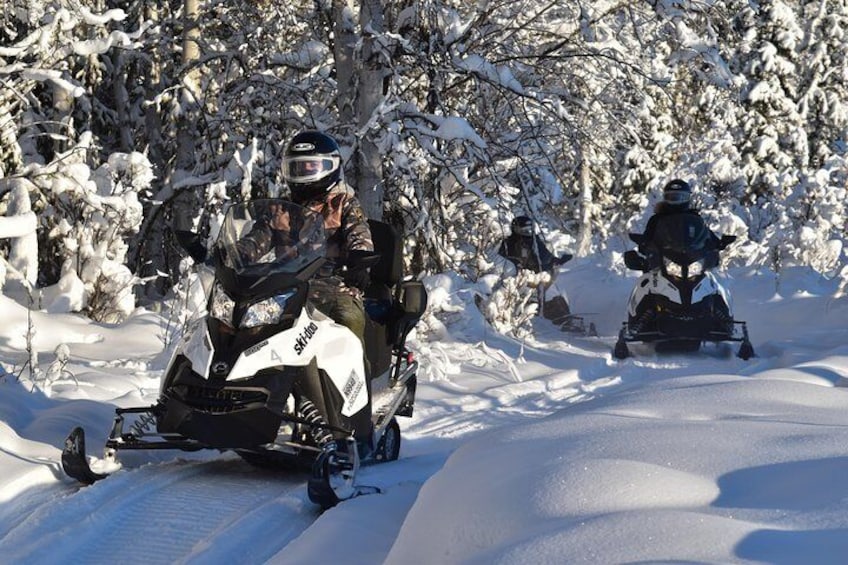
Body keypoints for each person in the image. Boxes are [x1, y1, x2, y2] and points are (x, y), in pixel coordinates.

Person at [280, 130, 374, 350]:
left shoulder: (343, 203)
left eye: (310, 167)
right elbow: (257, 239)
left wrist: (360, 260)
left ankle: (359, 381)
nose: (304, 172)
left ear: (329, 167)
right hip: (284, 287)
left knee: (349, 320)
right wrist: (228, 256)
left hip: (334, 286)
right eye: (298, 167)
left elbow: (359, 233)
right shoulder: (282, 209)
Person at [497, 215, 573, 326]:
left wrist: (557, 261)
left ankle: (566, 321)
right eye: (524, 229)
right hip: (520, 279)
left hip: (537, 275)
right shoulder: (510, 243)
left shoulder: (535, 241)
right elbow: (505, 260)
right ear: (516, 229)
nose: (528, 232)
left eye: (530, 229)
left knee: (555, 295)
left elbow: (545, 255)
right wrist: (517, 267)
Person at [636, 179, 720, 268]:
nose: (676, 201)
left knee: (706, 277)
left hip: (692, 263)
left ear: (687, 198)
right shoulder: (657, 219)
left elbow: (704, 233)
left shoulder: (694, 219)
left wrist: (716, 243)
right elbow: (647, 239)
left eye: (680, 197)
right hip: (663, 264)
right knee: (645, 280)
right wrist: (644, 246)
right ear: (665, 199)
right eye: (672, 198)